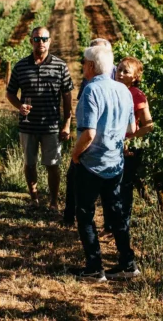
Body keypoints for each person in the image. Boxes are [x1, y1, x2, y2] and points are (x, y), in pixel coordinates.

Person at [70, 45, 138, 282]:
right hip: (115, 164)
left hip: (92, 164)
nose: (82, 66)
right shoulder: (125, 91)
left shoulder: (91, 90)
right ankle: (127, 264)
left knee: (86, 214)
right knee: (116, 214)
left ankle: (94, 267)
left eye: (83, 63)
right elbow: (131, 129)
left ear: (90, 65)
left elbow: (88, 133)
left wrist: (75, 154)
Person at [6, 27, 73, 211]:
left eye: (44, 39)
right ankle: (34, 197)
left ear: (50, 41)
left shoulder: (60, 66)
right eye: (37, 39)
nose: (40, 42)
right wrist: (19, 105)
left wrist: (67, 123)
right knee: (29, 163)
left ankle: (53, 201)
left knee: (52, 164)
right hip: (28, 125)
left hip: (51, 125)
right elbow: (10, 93)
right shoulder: (20, 66)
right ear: (31, 41)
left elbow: (67, 96)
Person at [64, 38, 114, 226]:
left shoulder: (116, 77)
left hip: (100, 142)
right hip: (90, 139)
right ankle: (70, 216)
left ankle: (98, 225)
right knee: (73, 179)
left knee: (100, 188)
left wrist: (78, 149)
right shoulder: (88, 80)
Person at [115, 56, 154, 233]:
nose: (120, 74)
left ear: (135, 77)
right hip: (111, 145)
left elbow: (148, 125)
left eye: (126, 71)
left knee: (124, 189)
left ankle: (122, 226)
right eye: (119, 69)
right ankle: (111, 225)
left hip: (127, 149)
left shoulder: (137, 95)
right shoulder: (112, 89)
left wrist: (129, 140)